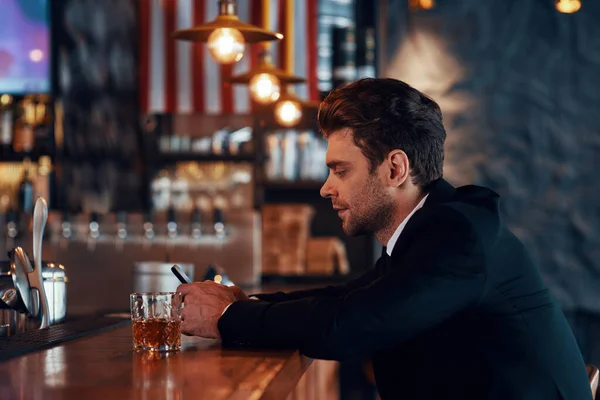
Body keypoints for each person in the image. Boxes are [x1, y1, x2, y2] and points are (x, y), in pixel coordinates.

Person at [177, 78, 591, 399]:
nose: (326, 188)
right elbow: (345, 299)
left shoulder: (458, 236)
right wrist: (243, 303)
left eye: (341, 170)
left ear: (395, 169)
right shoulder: (432, 231)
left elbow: (351, 326)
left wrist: (227, 319)